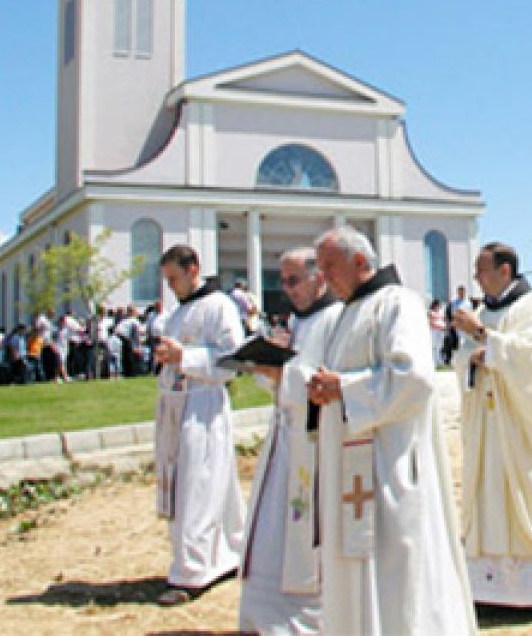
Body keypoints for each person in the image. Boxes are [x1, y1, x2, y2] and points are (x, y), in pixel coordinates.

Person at [308, 227, 475, 635]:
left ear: (361, 262)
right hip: (349, 463)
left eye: (330, 267)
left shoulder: (399, 303)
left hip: (390, 464)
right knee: (353, 564)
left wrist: (343, 388)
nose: (323, 277)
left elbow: (414, 378)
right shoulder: (345, 312)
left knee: (396, 562)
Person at [239, 247, 343, 635]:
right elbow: (281, 382)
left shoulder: (336, 320)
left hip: (314, 445)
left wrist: (286, 375)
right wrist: (269, 366)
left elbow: (328, 380)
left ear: (318, 278)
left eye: (293, 280)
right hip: (283, 441)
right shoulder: (297, 322)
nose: (286, 289)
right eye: (282, 281)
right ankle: (263, 615)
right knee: (271, 529)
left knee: (304, 536)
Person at [450, 242, 532, 612]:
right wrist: (473, 354)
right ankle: (488, 588)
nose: (477, 278)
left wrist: (484, 338)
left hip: (518, 423)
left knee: (521, 490)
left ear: (505, 271)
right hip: (486, 422)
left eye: (482, 271)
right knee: (487, 490)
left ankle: (531, 589)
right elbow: (461, 357)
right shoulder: (483, 310)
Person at [152, 244, 246, 606]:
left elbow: (233, 360)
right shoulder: (178, 314)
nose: (171, 286)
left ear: (194, 270)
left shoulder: (220, 306)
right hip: (178, 405)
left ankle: (191, 572)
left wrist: (184, 357)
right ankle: (226, 553)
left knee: (198, 485)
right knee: (208, 485)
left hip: (204, 407)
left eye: (174, 278)